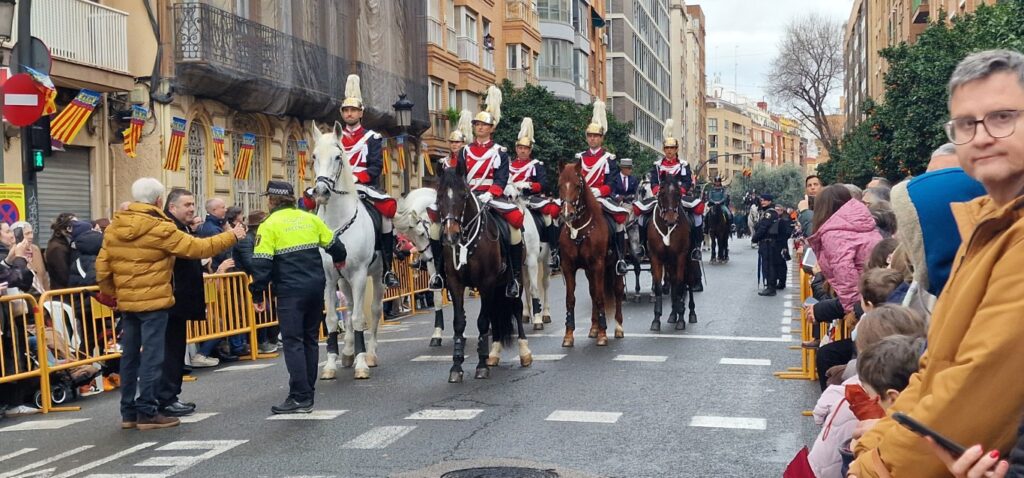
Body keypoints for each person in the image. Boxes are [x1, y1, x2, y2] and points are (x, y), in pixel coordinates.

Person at [850, 49, 1024, 478]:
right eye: (966, 124)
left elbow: (973, 388)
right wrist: (875, 444)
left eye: (1002, 117)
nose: (981, 137)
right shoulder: (983, 225)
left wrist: (874, 465)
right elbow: (934, 365)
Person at [96, 178, 242, 430]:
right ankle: (148, 412)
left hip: (128, 304)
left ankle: (128, 413)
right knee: (153, 357)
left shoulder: (114, 227)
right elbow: (197, 247)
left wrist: (118, 294)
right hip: (155, 303)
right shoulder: (158, 227)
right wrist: (231, 236)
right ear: (159, 201)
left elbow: (102, 270)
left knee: (130, 357)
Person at [250, 180, 346, 414]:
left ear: (271, 200)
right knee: (310, 340)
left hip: (290, 290)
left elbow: (261, 264)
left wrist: (258, 293)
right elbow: (336, 246)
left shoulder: (268, 225)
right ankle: (306, 393)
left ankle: (300, 397)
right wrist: (339, 259)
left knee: (293, 342)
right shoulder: (310, 218)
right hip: (315, 287)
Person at [427, 85, 526, 297]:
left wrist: (492, 192)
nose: (479, 128)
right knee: (436, 228)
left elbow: (501, 177)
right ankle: (439, 273)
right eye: (477, 124)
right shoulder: (465, 151)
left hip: (491, 197)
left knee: (515, 228)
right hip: (467, 198)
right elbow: (459, 176)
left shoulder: (500, 152)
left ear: (492, 128)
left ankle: (514, 276)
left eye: (483, 125)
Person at [338, 74, 400, 288]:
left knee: (386, 217)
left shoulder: (372, 138)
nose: (349, 113)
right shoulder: (335, 138)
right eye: (346, 110)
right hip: (337, 188)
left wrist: (356, 177)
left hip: (364, 186)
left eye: (353, 110)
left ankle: (388, 267)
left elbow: (376, 167)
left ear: (361, 113)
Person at [155, 188, 210, 418]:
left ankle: (170, 396)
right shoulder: (170, 229)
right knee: (170, 351)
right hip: (170, 301)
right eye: (186, 205)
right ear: (171, 207)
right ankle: (166, 398)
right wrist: (231, 236)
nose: (191, 209)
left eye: (192, 204)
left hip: (178, 300)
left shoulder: (182, 228)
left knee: (175, 350)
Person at [571, 99, 630, 276]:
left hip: (602, 198)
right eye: (590, 136)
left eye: (596, 136)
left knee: (618, 221)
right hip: (581, 199)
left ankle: (620, 258)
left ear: (602, 138)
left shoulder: (608, 158)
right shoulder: (579, 157)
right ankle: (560, 253)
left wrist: (599, 191)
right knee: (563, 219)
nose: (592, 139)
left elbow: (613, 183)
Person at [509, 117, 561, 268]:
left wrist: (529, 185)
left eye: (525, 148)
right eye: (520, 147)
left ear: (530, 150)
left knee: (548, 215)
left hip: (530, 199)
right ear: (516, 149)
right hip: (512, 199)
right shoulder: (510, 164)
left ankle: (553, 251)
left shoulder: (536, 165)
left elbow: (543, 184)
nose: (522, 150)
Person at [0, 225, 37, 417]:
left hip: (12, 315)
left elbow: (22, 281)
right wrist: (19, 259)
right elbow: (14, 277)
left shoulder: (8, 254)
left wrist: (13, 259)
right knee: (9, 356)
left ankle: (14, 402)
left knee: (13, 355)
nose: (13, 236)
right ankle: (11, 403)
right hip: (6, 316)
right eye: (7, 231)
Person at [751, 194, 783, 296]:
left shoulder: (769, 213)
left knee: (768, 265)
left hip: (768, 242)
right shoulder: (767, 212)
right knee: (768, 265)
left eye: (765, 200)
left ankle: (770, 287)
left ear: (770, 201)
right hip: (768, 242)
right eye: (762, 200)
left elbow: (763, 227)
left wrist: (754, 238)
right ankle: (769, 286)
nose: (762, 202)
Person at [10, 222, 48, 291]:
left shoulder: (35, 249)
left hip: (42, 296)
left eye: (31, 233)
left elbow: (44, 277)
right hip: (25, 297)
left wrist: (48, 298)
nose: (31, 236)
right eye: (27, 234)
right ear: (17, 235)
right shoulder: (12, 253)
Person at [45, 212, 77, 290]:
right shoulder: (57, 248)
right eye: (74, 225)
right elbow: (64, 275)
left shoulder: (65, 243)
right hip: (62, 295)